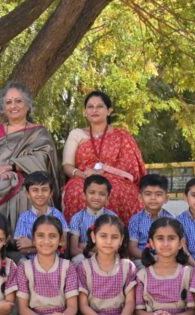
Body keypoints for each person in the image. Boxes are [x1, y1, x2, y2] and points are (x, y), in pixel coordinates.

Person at [0, 82, 61, 224]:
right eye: (8, 102)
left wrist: (12, 166)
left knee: (29, 192)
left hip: (33, 179)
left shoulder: (39, 132)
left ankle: (31, 237)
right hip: (0, 179)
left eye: (18, 101)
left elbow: (43, 157)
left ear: (27, 105)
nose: (13, 106)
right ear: (4, 108)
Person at [61, 90, 146, 222]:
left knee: (114, 191)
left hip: (117, 179)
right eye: (90, 107)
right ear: (85, 111)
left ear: (109, 110)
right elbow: (67, 165)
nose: (94, 110)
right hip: (83, 177)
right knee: (77, 191)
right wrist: (83, 175)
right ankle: (80, 238)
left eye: (99, 106)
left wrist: (104, 170)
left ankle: (120, 238)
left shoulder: (121, 135)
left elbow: (130, 167)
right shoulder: (77, 134)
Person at [13, 172, 68, 259]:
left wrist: (32, 243)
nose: (40, 194)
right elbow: (22, 248)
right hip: (30, 261)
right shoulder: (24, 218)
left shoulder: (57, 214)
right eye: (35, 190)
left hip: (54, 261)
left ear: (51, 193)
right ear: (27, 194)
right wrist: (52, 246)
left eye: (44, 190)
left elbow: (63, 244)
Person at [68, 174, 118, 259]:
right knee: (78, 259)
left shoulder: (113, 217)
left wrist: (84, 246)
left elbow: (116, 247)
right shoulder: (77, 218)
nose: (96, 197)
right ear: (84, 195)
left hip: (107, 257)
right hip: (85, 257)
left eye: (102, 194)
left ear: (108, 197)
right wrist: (93, 255)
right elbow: (74, 249)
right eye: (92, 193)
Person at [127, 173, 173, 260]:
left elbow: (174, 244)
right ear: (140, 197)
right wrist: (150, 258)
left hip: (167, 259)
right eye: (148, 194)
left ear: (166, 198)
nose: (153, 198)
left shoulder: (171, 219)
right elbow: (132, 248)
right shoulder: (136, 220)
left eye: (158, 194)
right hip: (143, 259)